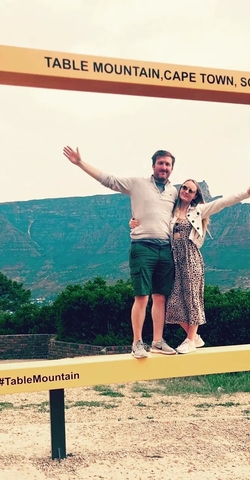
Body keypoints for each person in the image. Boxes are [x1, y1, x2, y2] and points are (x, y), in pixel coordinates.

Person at [62, 146, 179, 359]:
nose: (164, 167)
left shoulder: (174, 192)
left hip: (165, 248)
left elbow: (190, 211)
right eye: (160, 163)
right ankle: (137, 343)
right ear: (153, 166)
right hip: (143, 246)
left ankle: (158, 341)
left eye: (167, 164)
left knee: (160, 297)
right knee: (142, 296)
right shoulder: (137, 184)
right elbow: (108, 180)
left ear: (172, 168)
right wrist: (80, 163)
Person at [130, 179, 250, 354]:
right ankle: (196, 336)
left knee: (193, 299)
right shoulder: (171, 212)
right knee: (173, 303)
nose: (185, 191)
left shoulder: (198, 211)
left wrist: (246, 193)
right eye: (184, 187)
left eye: (190, 190)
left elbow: (222, 203)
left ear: (195, 196)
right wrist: (133, 222)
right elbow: (151, 216)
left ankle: (190, 340)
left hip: (191, 259)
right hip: (174, 260)